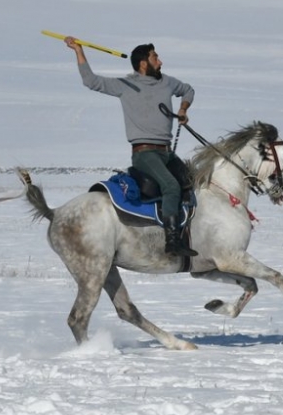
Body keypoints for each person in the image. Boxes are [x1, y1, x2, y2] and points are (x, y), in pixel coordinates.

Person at [65, 36, 198, 257]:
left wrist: (183, 109)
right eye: (156, 57)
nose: (161, 62)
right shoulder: (125, 85)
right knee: (171, 187)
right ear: (144, 63)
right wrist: (78, 51)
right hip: (145, 154)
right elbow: (91, 81)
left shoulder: (167, 81)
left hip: (166, 152)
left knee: (192, 183)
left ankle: (191, 234)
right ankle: (172, 243)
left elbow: (188, 90)